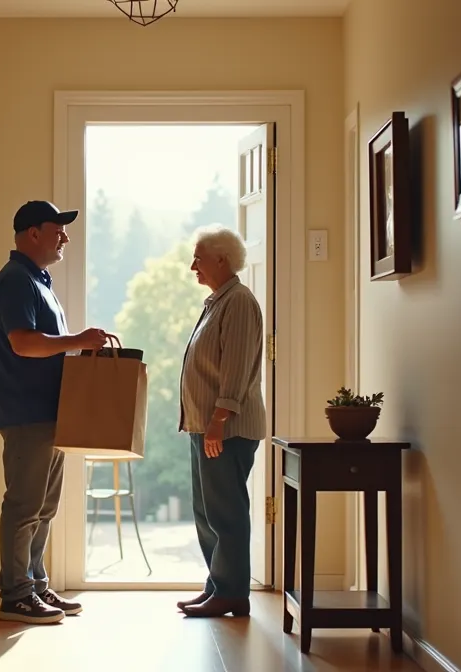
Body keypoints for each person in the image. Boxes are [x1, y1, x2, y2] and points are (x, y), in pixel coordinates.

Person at [0, 200, 109, 624]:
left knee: (44, 506)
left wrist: (78, 343)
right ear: (32, 233)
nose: (65, 237)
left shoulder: (38, 281)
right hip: (27, 412)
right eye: (58, 229)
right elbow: (23, 342)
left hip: (49, 412)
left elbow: (44, 344)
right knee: (24, 504)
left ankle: (35, 585)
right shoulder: (16, 281)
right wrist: (76, 338)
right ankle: (15, 594)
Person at [174, 225, 267, 618]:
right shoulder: (217, 302)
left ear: (221, 260)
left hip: (225, 429)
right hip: (206, 426)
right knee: (207, 510)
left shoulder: (239, 302)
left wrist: (218, 420)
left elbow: (236, 369)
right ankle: (219, 584)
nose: (193, 265)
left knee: (225, 511)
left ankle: (231, 591)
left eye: (199, 257)